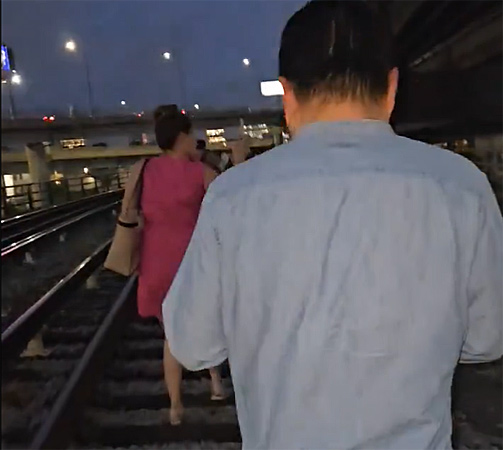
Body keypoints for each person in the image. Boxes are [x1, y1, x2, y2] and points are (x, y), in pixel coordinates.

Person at [163, 1, 503, 448]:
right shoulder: (462, 187)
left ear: (287, 95)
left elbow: (192, 344)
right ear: (391, 87)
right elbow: (487, 338)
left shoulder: (233, 197)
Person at [137, 104, 225, 426]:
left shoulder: (145, 170)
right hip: (191, 261)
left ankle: (175, 404)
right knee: (206, 322)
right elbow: (227, 201)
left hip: (156, 262)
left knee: (172, 334)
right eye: (192, 136)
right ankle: (215, 381)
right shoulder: (200, 173)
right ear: (182, 138)